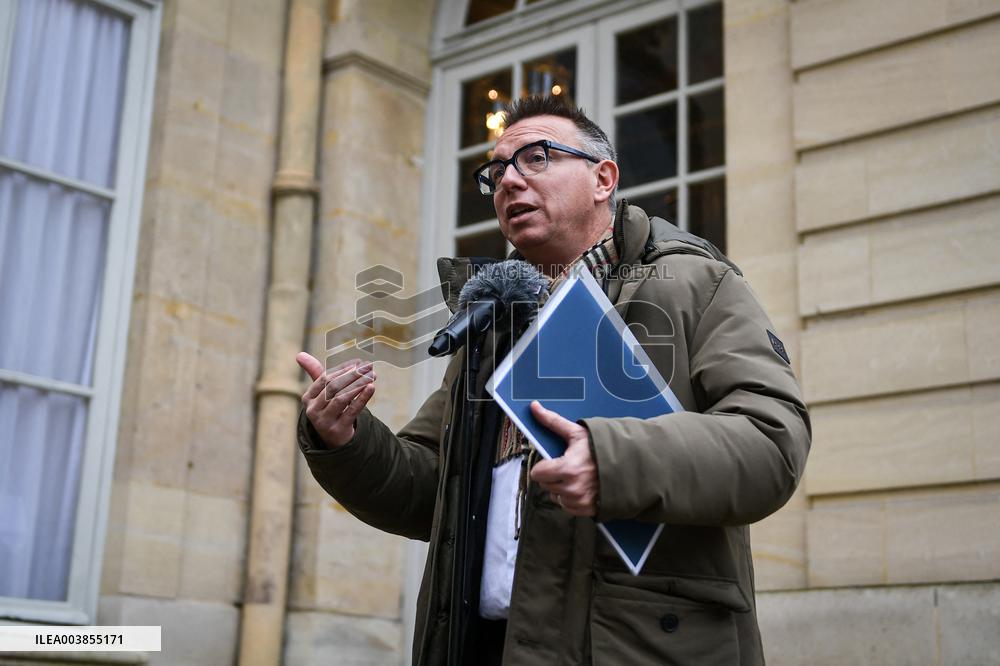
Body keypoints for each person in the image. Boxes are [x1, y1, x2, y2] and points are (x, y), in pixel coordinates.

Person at [296, 96, 810, 665]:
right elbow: (429, 493)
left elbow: (772, 442)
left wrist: (614, 461)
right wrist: (345, 440)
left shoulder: (697, 285)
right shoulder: (494, 318)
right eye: (495, 172)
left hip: (630, 649)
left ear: (603, 178)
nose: (508, 181)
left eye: (536, 157)